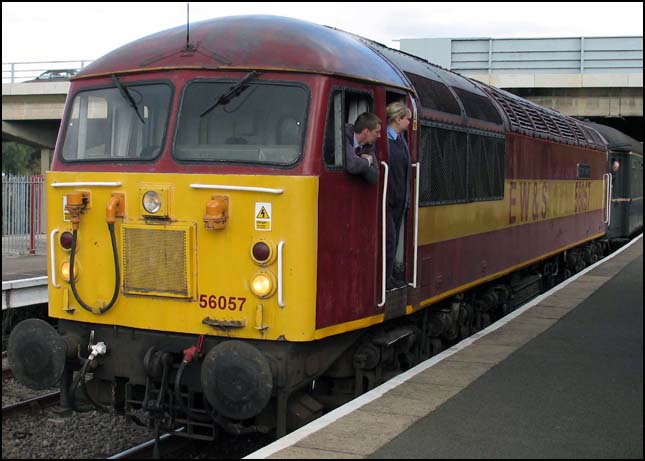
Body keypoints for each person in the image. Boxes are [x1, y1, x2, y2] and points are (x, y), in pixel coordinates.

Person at [385, 102, 412, 290]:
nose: (409, 122)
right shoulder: (384, 139)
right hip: (389, 199)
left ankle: (389, 277)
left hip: (399, 199)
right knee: (389, 240)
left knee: (393, 242)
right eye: (407, 118)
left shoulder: (401, 139)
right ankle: (384, 279)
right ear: (397, 119)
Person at [344, 112, 381, 184]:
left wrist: (360, 163)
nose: (379, 136)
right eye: (377, 132)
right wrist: (368, 161)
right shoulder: (344, 136)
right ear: (366, 131)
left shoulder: (368, 145)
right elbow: (352, 165)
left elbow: (375, 176)